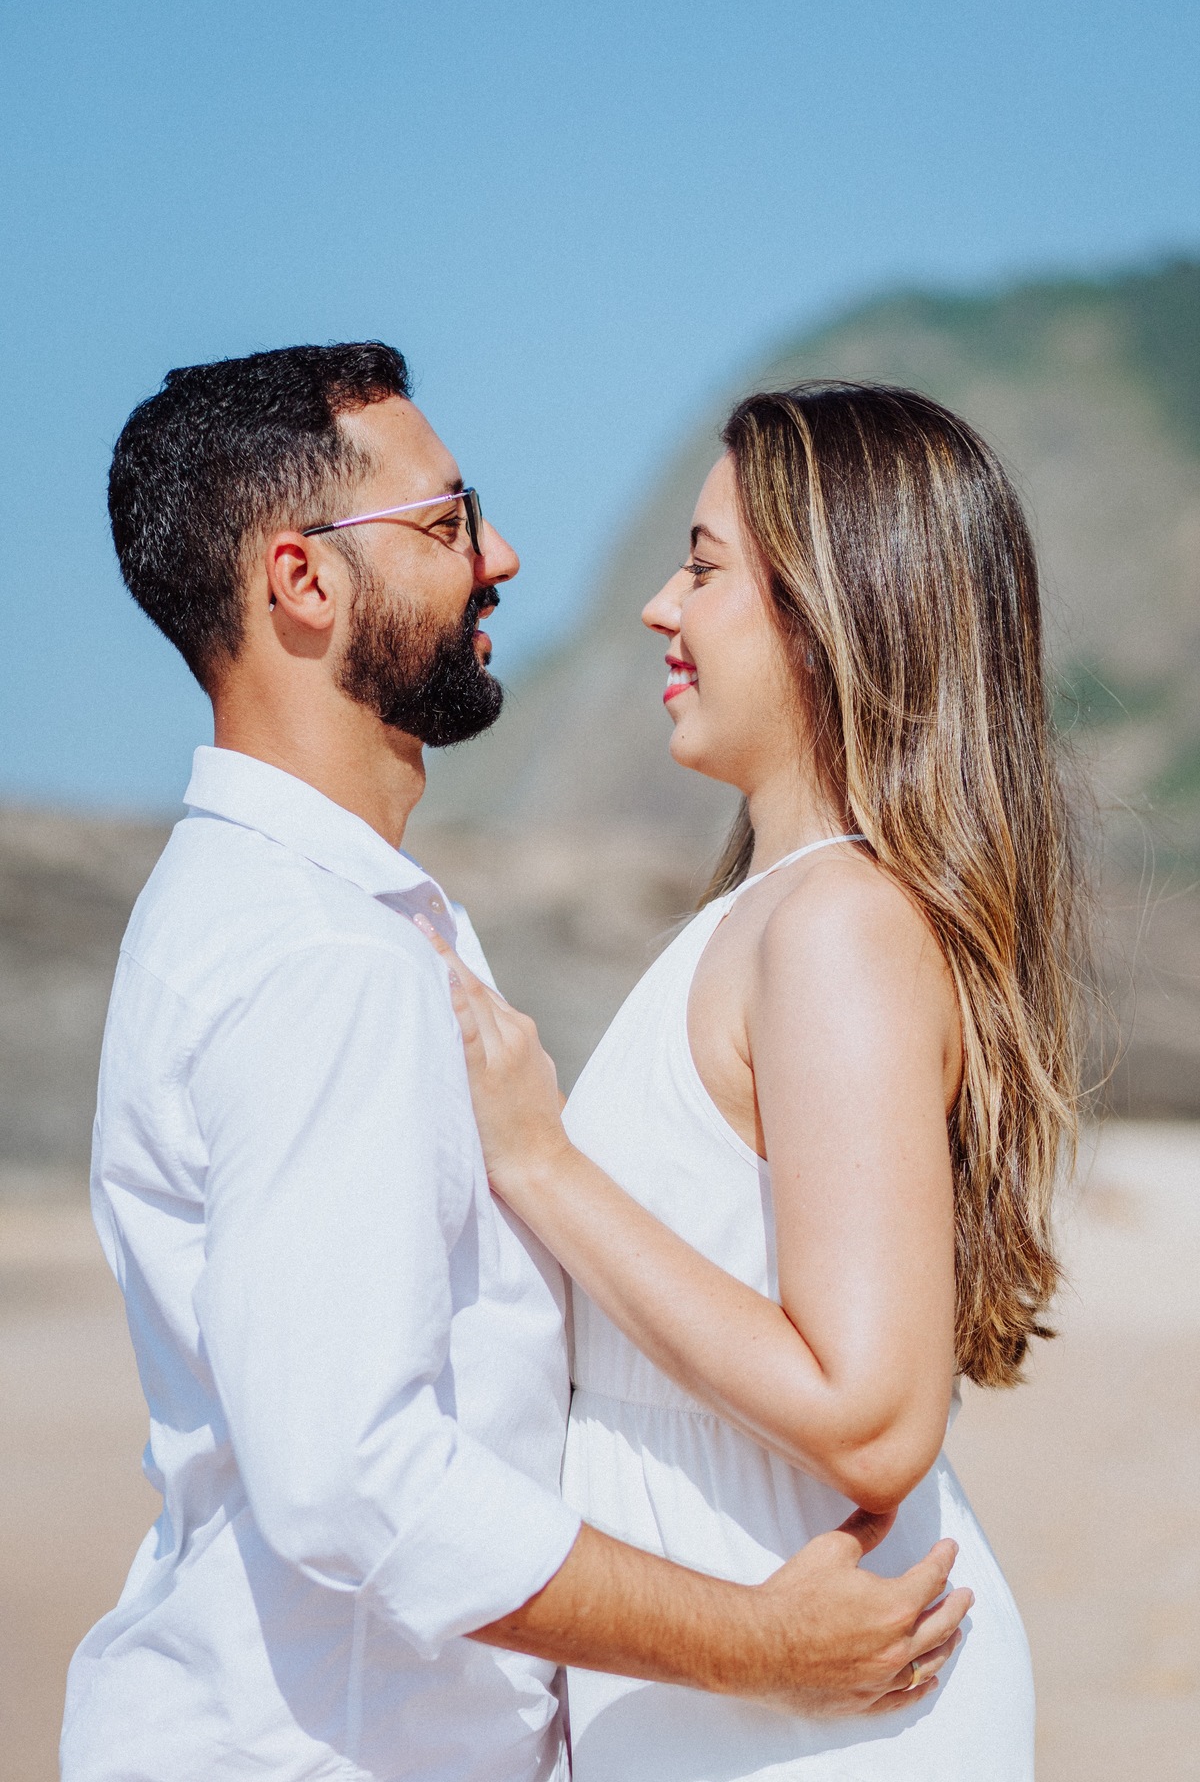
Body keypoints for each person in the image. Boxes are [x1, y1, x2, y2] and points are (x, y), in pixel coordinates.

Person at [60, 348, 971, 1782]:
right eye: (443, 524)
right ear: (301, 582)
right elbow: (357, 1483)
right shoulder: (324, 957)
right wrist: (758, 1643)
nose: (500, 554)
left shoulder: (320, 918)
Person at [424, 382, 1084, 1781]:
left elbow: (875, 1414)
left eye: (708, 567)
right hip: (747, 1682)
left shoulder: (836, 925)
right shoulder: (783, 914)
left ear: (835, 609)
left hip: (817, 1707)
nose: (663, 608)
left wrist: (542, 1163)